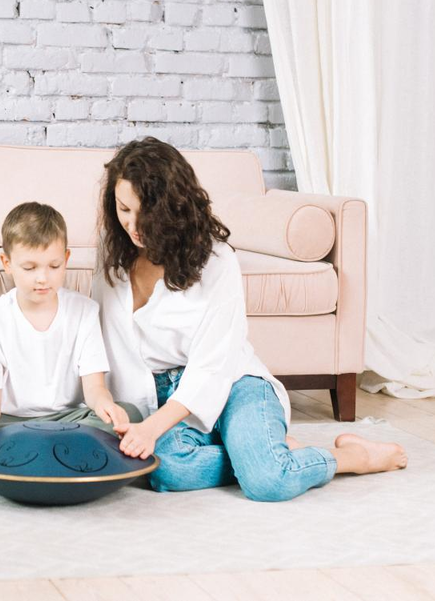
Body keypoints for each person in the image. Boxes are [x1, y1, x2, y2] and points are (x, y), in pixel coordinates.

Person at [94, 137, 407, 501]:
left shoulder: (215, 260)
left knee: (267, 482)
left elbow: (213, 366)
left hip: (234, 383)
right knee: (165, 471)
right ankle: (262, 452)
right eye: (124, 209)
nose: (133, 225)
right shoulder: (113, 250)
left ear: (171, 207)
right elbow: (102, 336)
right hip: (163, 395)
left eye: (145, 212)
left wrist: (151, 429)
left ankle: (351, 457)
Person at [0, 202, 142, 456]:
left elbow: (94, 389)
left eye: (54, 266)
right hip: (9, 422)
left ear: (66, 259)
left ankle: (24, 454)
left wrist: (105, 405)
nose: (43, 278)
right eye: (29, 268)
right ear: (7, 263)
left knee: (131, 414)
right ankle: (61, 453)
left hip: (69, 419)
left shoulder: (84, 311)